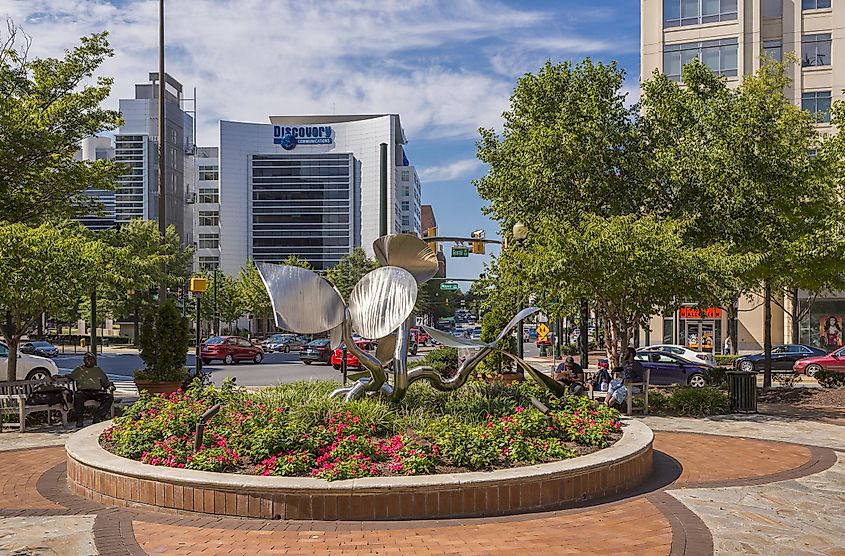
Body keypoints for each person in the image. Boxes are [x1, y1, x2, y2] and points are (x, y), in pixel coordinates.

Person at [68, 352, 114, 428]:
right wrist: (58, 377)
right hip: (83, 392)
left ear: (94, 361)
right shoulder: (79, 369)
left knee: (109, 397)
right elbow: (70, 376)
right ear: (84, 360)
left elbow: (105, 382)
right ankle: (79, 419)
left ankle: (98, 416)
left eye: (91, 359)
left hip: (96, 391)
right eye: (87, 359)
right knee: (78, 397)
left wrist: (110, 386)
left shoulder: (98, 370)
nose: (89, 361)